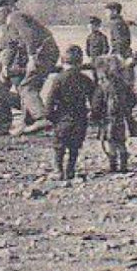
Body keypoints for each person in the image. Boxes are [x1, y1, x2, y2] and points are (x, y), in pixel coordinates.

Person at [0, 0, 60, 134]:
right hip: (41, 52)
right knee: (24, 87)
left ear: (8, 6)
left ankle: (41, 118)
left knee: (27, 87)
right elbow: (9, 46)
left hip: (44, 51)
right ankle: (28, 121)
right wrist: (4, 66)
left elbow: (29, 36)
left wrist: (32, 58)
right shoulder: (8, 25)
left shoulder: (16, 17)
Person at [45, 44, 95, 182]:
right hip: (80, 118)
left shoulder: (59, 79)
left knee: (59, 146)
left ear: (63, 61)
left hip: (63, 118)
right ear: (80, 62)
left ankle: (58, 170)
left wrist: (50, 117)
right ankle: (70, 169)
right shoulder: (86, 79)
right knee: (74, 146)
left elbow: (50, 100)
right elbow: (94, 99)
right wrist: (94, 114)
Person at [90, 53, 137, 174]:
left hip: (108, 120)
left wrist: (95, 116)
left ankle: (113, 165)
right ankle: (123, 165)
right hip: (122, 119)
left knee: (111, 143)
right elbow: (133, 100)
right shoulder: (124, 85)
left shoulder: (102, 88)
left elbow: (96, 104)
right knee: (121, 142)